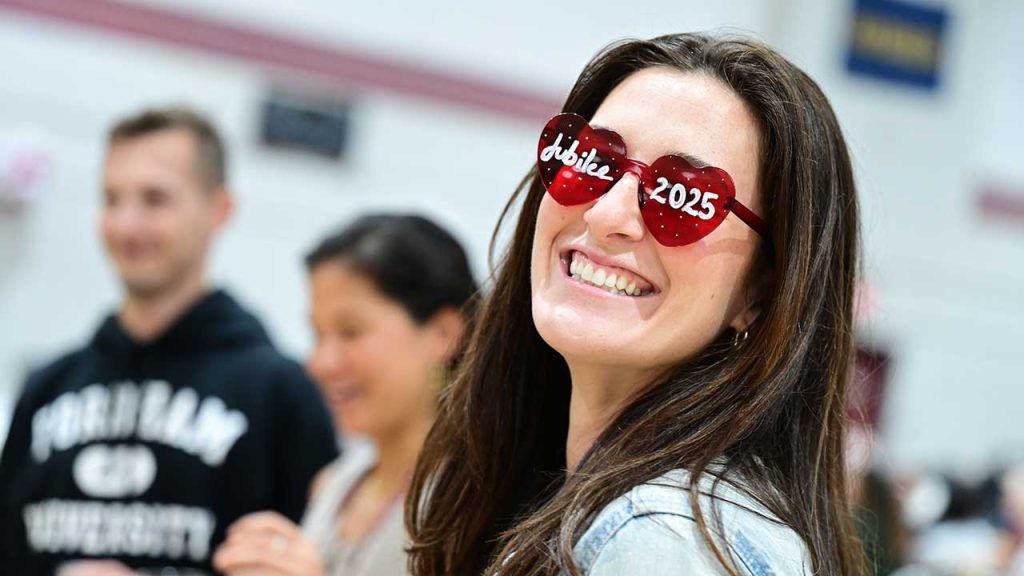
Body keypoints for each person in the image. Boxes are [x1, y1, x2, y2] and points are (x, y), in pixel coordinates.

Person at [406, 32, 866, 575]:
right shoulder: (587, 501)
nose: (607, 215)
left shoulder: (662, 541)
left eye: (683, 196)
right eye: (593, 160)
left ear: (763, 292)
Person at [0, 107, 339, 575]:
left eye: (154, 199)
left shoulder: (282, 395)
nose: (126, 225)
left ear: (219, 210)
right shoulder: (47, 386)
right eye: (112, 199)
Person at [213, 214, 477, 576]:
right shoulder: (336, 482)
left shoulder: (474, 500)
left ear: (442, 333)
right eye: (318, 335)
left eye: (351, 332)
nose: (321, 363)